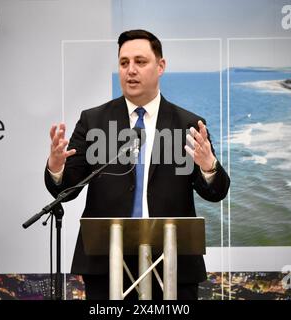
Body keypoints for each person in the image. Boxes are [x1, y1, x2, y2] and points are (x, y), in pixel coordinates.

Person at [45, 29, 230, 300]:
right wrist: (57, 167)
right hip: (106, 265)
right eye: (123, 63)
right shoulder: (94, 121)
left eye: (140, 62)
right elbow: (67, 190)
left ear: (161, 66)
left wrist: (208, 166)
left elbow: (216, 192)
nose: (130, 70)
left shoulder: (187, 124)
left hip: (173, 267)